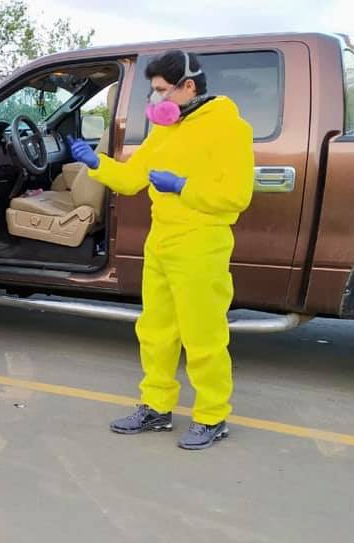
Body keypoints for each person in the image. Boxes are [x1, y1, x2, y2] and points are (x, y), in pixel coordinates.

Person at [68, 50, 255, 450]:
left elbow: (236, 195)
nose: (154, 99)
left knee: (203, 335)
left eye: (160, 90)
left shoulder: (229, 128)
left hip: (202, 242)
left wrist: (183, 186)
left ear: (188, 86)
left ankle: (212, 416)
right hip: (161, 241)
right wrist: (96, 163)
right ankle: (156, 407)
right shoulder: (165, 129)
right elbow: (133, 179)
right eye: (152, 91)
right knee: (155, 332)